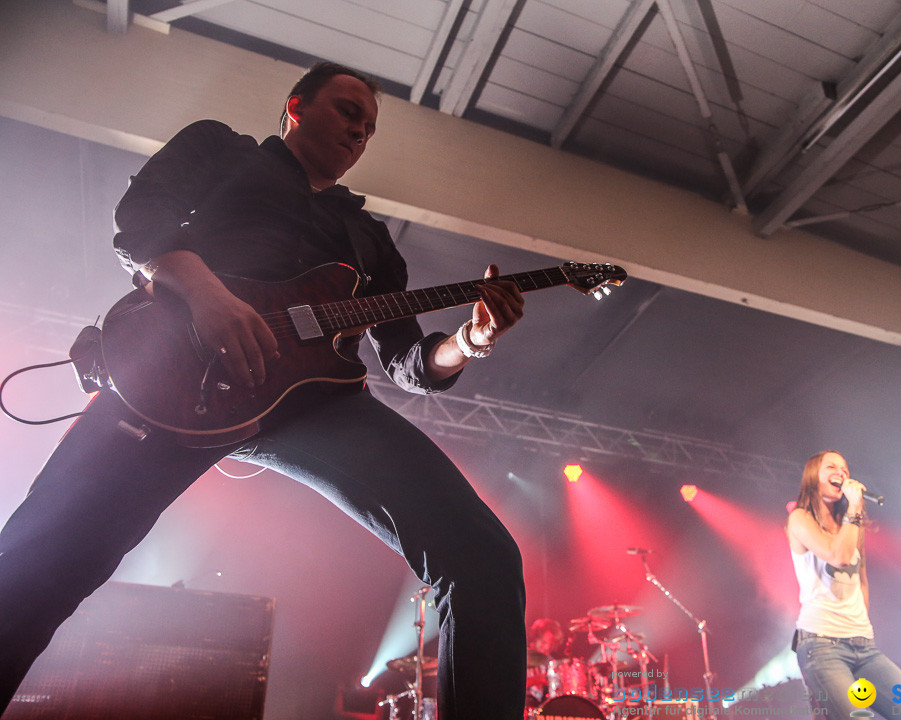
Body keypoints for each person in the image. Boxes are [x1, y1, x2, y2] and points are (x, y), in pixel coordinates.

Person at [0, 61, 527, 719]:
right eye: (347, 112)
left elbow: (409, 363)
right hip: (176, 374)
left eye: (369, 128)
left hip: (317, 403)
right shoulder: (218, 150)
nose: (360, 132)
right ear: (296, 107)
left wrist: (470, 342)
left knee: (481, 553)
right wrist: (206, 294)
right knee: (38, 561)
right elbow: (140, 219)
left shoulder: (369, 240)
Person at [786, 450, 901, 719]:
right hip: (822, 645)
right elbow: (838, 555)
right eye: (832, 467)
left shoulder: (850, 524)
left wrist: (862, 626)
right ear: (814, 477)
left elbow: (861, 578)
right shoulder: (800, 519)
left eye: (845, 469)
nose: (842, 473)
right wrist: (855, 508)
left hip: (864, 645)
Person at [525, 618, 566, 707]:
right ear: (535, 638)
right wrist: (538, 679)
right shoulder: (523, 655)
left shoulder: (551, 662)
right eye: (543, 642)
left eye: (551, 644)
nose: (547, 647)